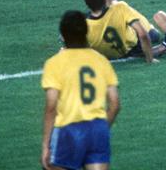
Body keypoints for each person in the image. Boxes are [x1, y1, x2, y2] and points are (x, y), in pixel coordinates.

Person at [41, 10, 120, 170]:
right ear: (86, 31)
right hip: (98, 129)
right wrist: (102, 128)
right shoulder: (101, 60)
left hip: (69, 131)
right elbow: (115, 103)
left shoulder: (54, 63)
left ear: (63, 35)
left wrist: (45, 145)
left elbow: (51, 106)